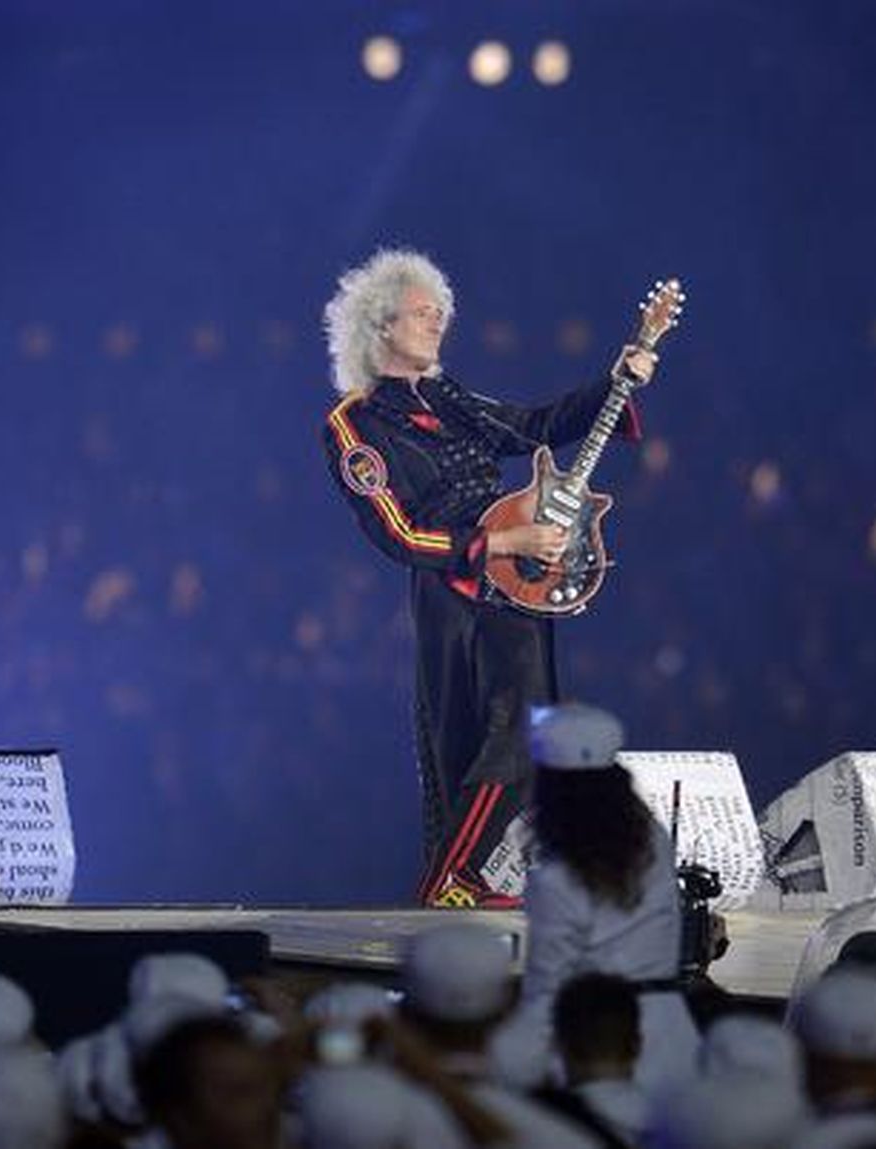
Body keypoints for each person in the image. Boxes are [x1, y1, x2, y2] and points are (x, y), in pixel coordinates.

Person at [320, 248, 653, 906]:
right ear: (381, 324)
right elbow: (398, 535)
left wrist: (613, 381)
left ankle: (464, 879)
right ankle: (454, 880)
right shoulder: (353, 425)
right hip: (454, 587)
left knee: (529, 731)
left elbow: (532, 426)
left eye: (442, 311)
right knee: (485, 740)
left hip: (518, 577)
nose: (439, 321)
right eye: (423, 312)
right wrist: (503, 538)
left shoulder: (449, 399)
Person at [497, 703, 699, 1091]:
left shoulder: (555, 882)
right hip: (674, 1040)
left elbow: (547, 989)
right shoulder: (654, 839)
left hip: (598, 1051)